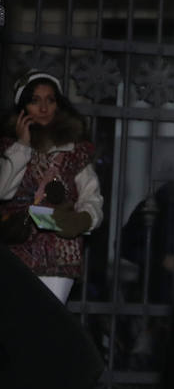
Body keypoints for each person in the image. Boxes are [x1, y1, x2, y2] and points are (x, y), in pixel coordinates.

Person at [0, 71, 102, 303]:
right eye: (35, 100)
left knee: (49, 325)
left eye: (50, 100)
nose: (43, 108)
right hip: (17, 245)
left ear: (59, 104)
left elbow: (91, 195)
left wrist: (84, 219)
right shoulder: (9, 147)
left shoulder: (76, 150)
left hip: (61, 252)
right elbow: (3, 190)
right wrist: (22, 145)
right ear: (23, 106)